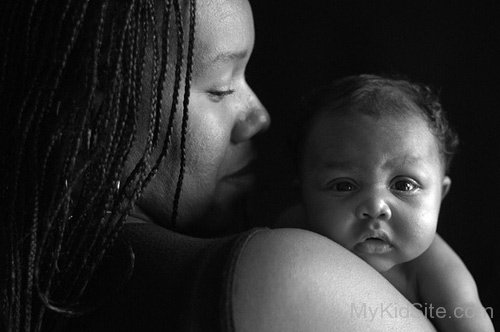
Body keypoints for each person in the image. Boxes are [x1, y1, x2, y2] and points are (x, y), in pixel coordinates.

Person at [1, 1, 439, 331]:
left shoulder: (32, 288)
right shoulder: (283, 274)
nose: (259, 116)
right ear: (93, 116)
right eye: (222, 89)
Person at [276, 74, 494, 331]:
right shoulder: (290, 237)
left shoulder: (434, 269)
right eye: (343, 186)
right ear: (304, 196)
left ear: (440, 195)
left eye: (404, 185)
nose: (376, 206)